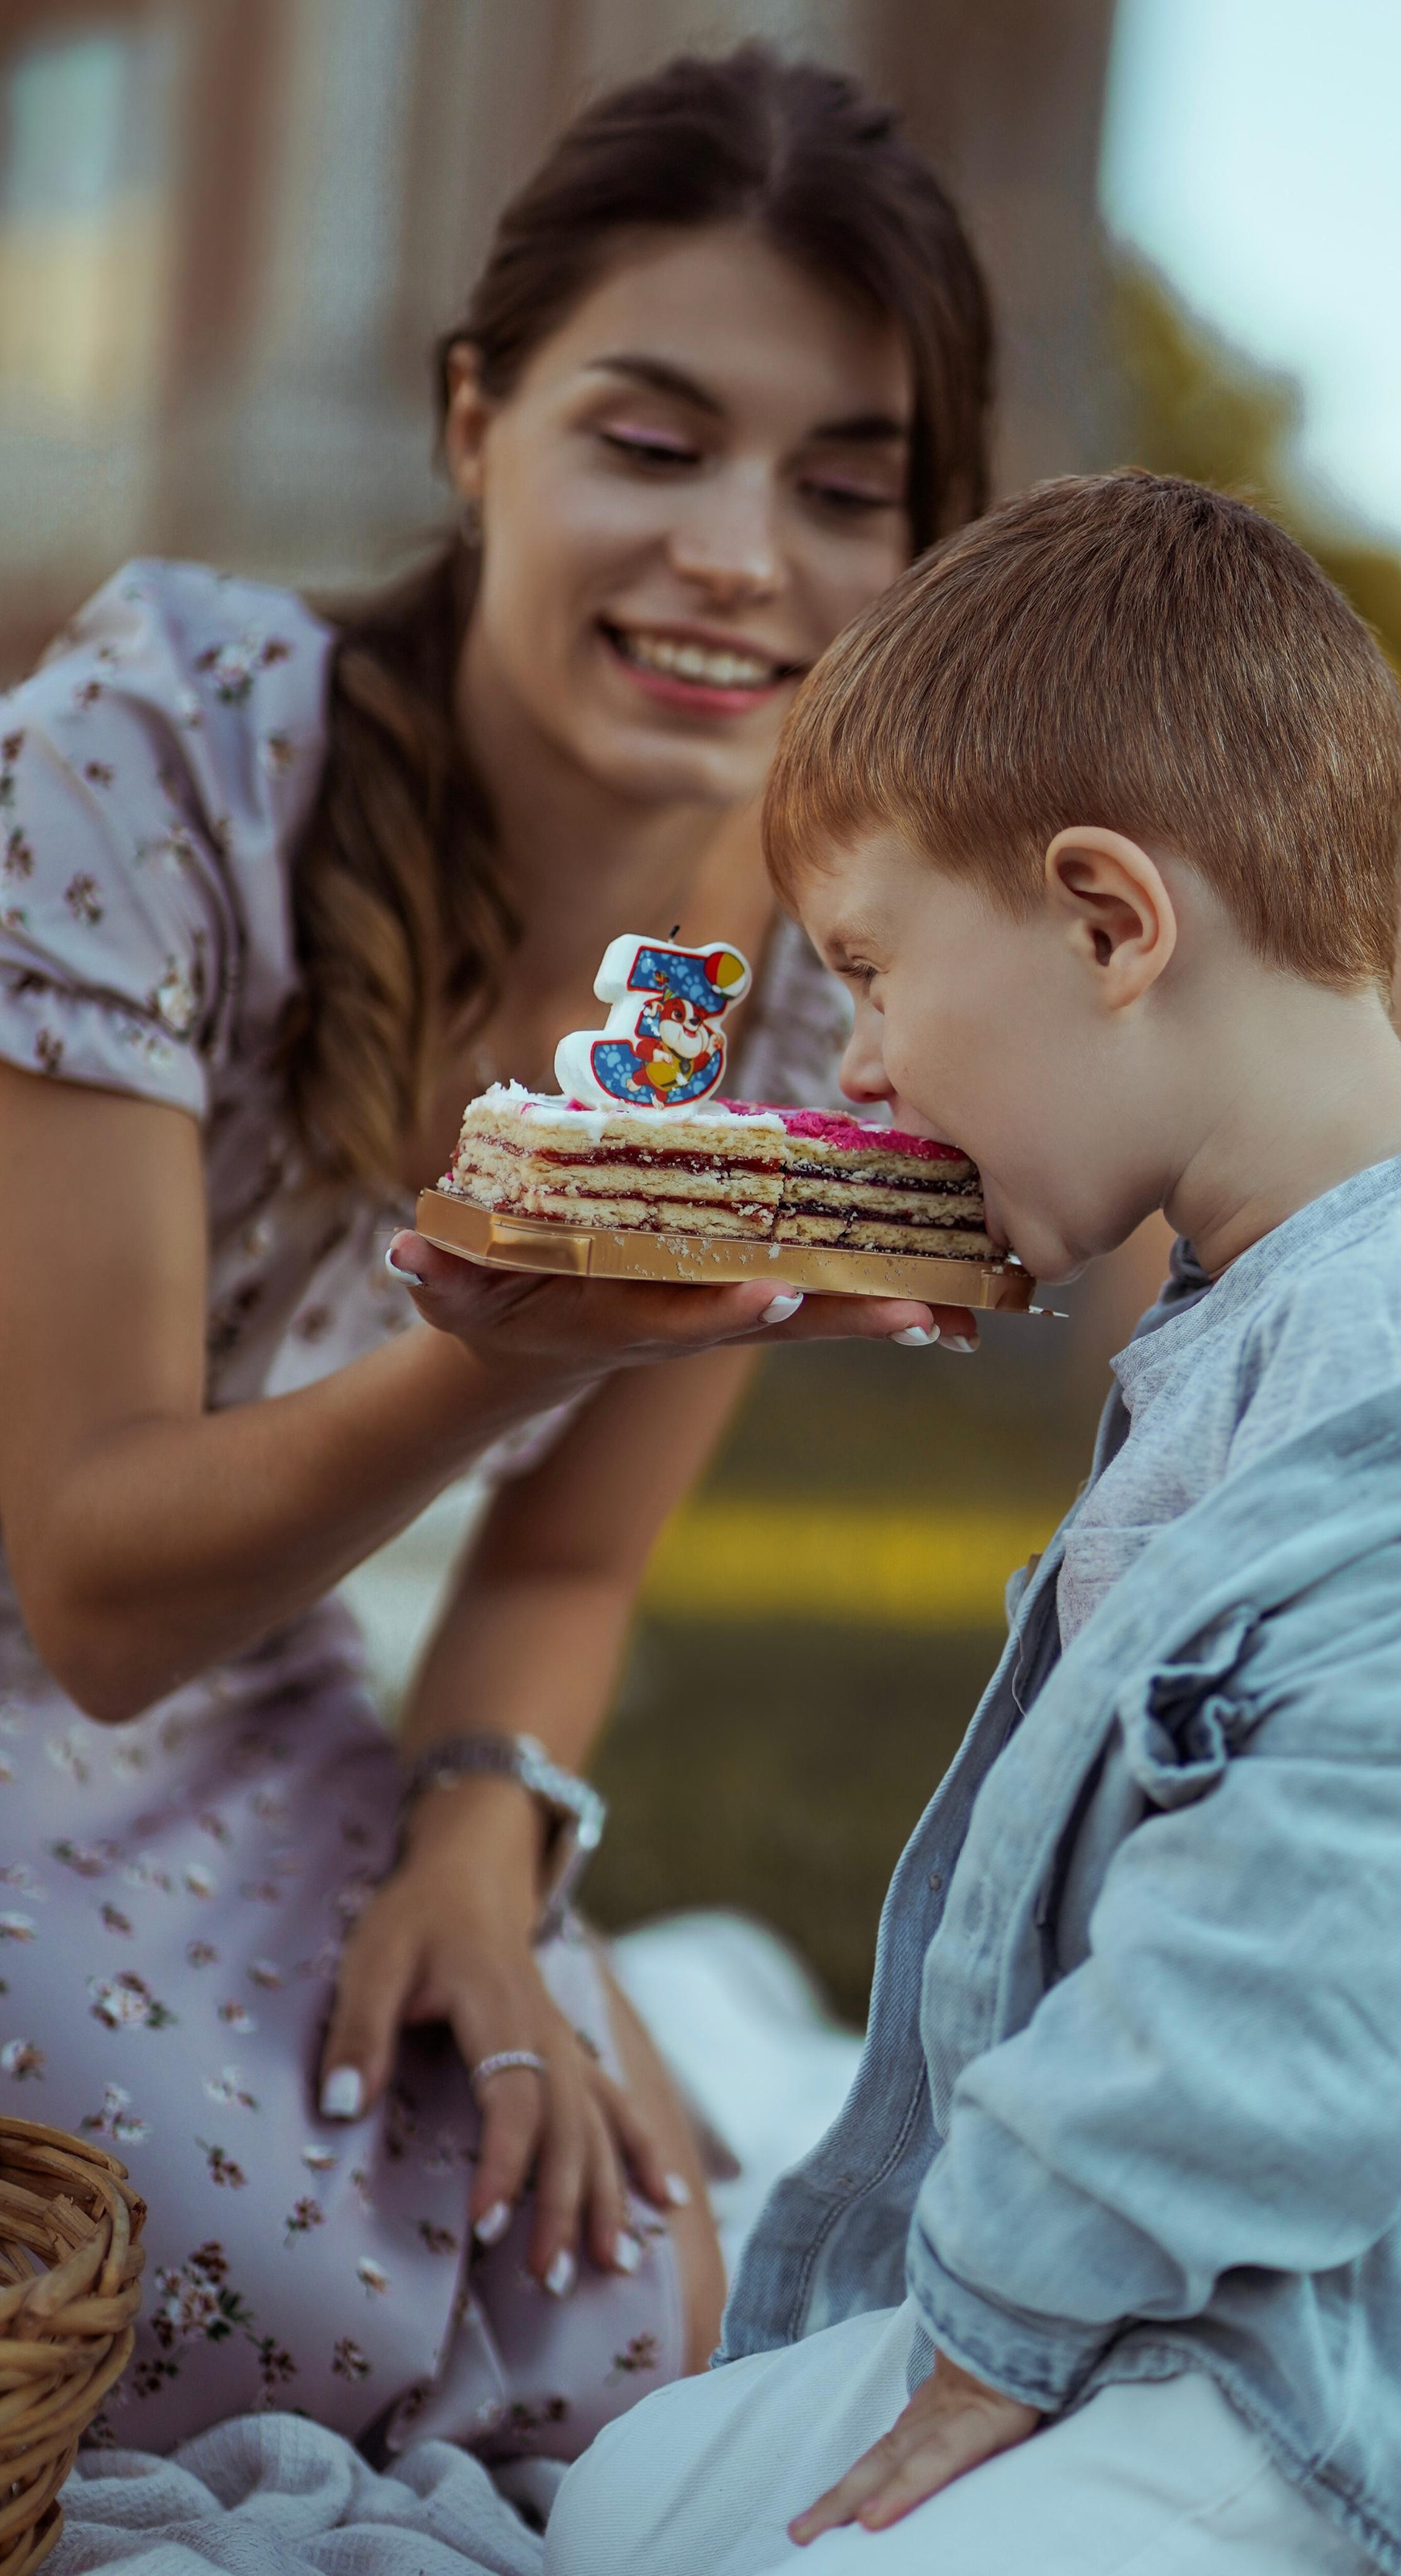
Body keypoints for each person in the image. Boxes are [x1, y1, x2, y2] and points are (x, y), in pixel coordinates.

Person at [546, 473, 1401, 2575]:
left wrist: (998, 2320)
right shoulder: (1263, 1305)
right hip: (1208, 2285)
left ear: (1108, 922)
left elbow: (1338, 1946)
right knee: (629, 2500)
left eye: (878, 975)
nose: (868, 1067)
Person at [0, 48, 992, 2459]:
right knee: (264, 2278)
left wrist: (484, 1835)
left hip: (251, 1685)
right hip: (80, 1603)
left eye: (844, 491)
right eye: (648, 445)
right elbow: (93, 1579)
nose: (745, 558)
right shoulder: (166, 755)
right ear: (476, 424)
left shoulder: (780, 997)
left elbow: (566, 1555)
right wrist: (494, 1345)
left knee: (622, 2295)